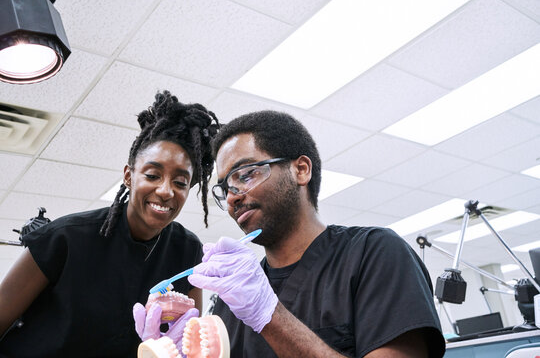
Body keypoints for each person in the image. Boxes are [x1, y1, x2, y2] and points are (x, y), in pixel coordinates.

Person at [188, 110, 446, 357]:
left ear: (301, 170)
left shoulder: (374, 254)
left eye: (245, 175)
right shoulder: (233, 298)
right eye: (225, 188)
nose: (233, 197)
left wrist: (269, 315)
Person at [0, 91, 219, 357]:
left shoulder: (187, 252)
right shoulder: (66, 238)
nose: (165, 190)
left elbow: (189, 343)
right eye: (152, 175)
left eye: (180, 182)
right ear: (129, 175)